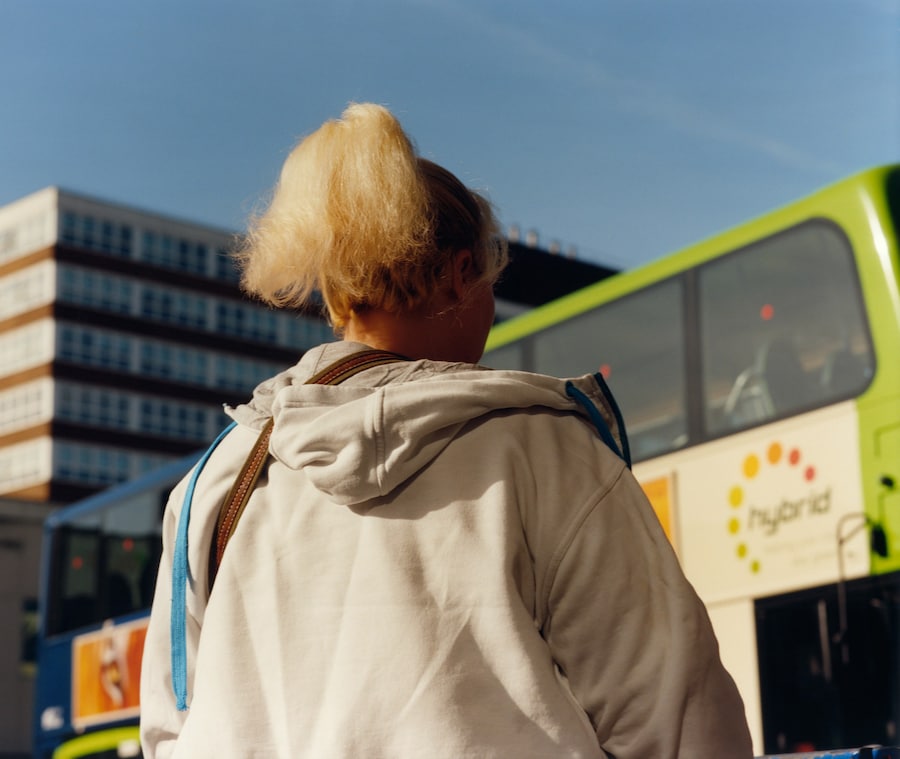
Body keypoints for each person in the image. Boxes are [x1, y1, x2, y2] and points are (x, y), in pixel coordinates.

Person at [140, 102, 752, 758]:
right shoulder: (548, 450)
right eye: (488, 280)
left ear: (341, 298)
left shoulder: (216, 483)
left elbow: (172, 732)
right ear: (461, 274)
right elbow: (677, 714)